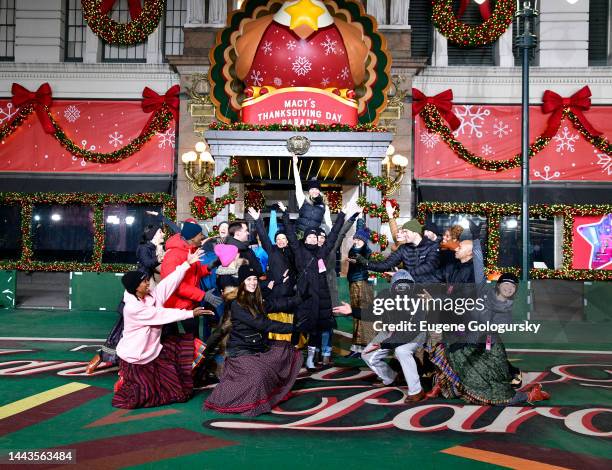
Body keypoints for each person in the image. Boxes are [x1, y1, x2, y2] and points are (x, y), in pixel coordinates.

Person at [426, 225, 550, 405]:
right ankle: (447, 385)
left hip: (480, 340)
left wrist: (476, 240)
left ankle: (529, 394)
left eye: (462, 247)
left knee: (494, 390)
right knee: (445, 349)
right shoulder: (458, 270)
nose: (457, 247)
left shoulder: (482, 284)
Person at [112, 249, 215, 409]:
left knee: (179, 392)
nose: (148, 283)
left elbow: (167, 284)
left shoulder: (150, 295)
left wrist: (186, 264)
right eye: (144, 282)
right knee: (139, 398)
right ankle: (125, 380)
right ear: (135, 288)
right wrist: (190, 313)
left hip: (153, 351)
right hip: (135, 357)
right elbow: (160, 314)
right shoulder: (133, 308)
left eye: (147, 280)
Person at [204, 265, 305, 416]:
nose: (252, 282)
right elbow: (264, 324)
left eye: (255, 279)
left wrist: (301, 297)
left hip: (259, 348)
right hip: (241, 351)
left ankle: (272, 392)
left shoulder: (256, 299)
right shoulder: (237, 304)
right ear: (242, 282)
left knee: (287, 351)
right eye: (248, 279)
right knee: (258, 376)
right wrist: (294, 327)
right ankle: (233, 398)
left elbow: (277, 304)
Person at [333, 270, 429, 403]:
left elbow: (412, 331)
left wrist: (386, 343)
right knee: (366, 355)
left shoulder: (418, 301)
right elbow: (371, 313)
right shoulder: (385, 296)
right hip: (389, 333)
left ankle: (417, 391)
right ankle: (391, 377)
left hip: (414, 335)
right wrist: (352, 311)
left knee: (401, 351)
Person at [281, 200, 353, 370]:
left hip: (320, 296)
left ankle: (310, 359)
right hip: (303, 295)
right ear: (305, 238)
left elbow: (334, 235)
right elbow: (290, 234)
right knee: (298, 326)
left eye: (315, 236)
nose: (312, 238)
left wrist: (341, 215)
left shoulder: (322, 251)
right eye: (310, 236)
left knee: (315, 329)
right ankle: (290, 358)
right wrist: (285, 215)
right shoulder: (298, 250)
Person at [161, 220, 219, 339]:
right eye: (200, 234)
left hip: (190, 304)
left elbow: (193, 274)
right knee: (174, 342)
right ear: (192, 238)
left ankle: (192, 358)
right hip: (175, 307)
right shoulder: (174, 255)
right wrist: (202, 295)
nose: (202, 237)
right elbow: (175, 285)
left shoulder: (190, 250)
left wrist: (209, 267)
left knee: (193, 340)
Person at [354, 219, 441, 283]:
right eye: (402, 232)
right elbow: (386, 264)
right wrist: (365, 262)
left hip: (431, 289)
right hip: (411, 288)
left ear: (415, 232)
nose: (402, 235)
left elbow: (429, 266)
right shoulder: (403, 248)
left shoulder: (432, 246)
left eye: (405, 232)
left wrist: (402, 274)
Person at [345, 218, 374, 358]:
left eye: (358, 238)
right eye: (355, 238)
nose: (355, 240)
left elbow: (363, 262)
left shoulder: (366, 250)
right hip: (353, 283)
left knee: (362, 314)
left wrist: (355, 261)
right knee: (356, 315)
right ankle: (357, 346)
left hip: (362, 283)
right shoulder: (354, 248)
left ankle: (364, 345)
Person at [292, 154, 333, 237]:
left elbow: (328, 221)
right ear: (309, 191)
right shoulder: (303, 200)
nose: (314, 191)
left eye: (316, 189)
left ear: (319, 191)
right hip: (299, 234)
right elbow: (298, 183)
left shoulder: (324, 205)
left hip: (313, 236)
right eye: (312, 189)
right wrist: (294, 164)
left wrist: (332, 235)